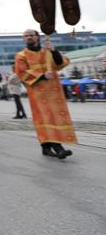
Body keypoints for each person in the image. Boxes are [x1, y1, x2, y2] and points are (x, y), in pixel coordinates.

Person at [14, 30, 77, 159]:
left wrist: (53, 51)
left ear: (37, 37)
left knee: (56, 118)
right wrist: (42, 76)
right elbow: (21, 72)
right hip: (38, 93)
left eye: (31, 35)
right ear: (23, 39)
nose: (29, 37)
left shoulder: (47, 52)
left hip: (54, 92)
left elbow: (61, 63)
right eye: (26, 36)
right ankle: (58, 148)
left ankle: (46, 147)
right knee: (45, 119)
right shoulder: (21, 55)